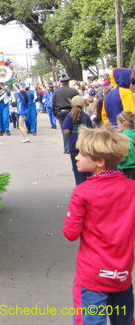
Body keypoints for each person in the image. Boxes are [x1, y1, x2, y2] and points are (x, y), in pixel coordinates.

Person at [63, 127, 135, 324]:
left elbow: (70, 233)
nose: (77, 157)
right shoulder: (132, 189)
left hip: (92, 275)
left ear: (100, 162)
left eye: (82, 154)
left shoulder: (83, 192)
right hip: (122, 274)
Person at [65, 95, 94, 185]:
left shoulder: (69, 116)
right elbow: (91, 131)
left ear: (72, 105)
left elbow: (66, 131)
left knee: (77, 169)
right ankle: (89, 186)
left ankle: (80, 188)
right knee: (87, 168)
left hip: (74, 145)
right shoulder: (86, 117)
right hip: (85, 146)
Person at [53, 73, 80, 154]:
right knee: (73, 129)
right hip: (72, 111)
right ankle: (74, 146)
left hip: (61, 112)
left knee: (64, 130)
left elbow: (53, 104)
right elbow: (78, 101)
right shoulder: (73, 91)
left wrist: (55, 114)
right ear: (68, 83)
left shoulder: (57, 92)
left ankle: (67, 147)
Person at [117, 111, 135, 180]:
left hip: (127, 170)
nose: (117, 125)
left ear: (123, 123)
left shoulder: (123, 137)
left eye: (118, 123)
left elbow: (123, 157)